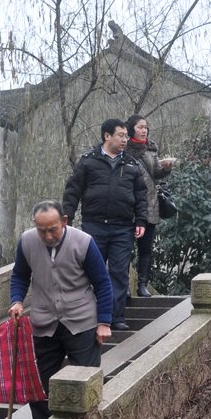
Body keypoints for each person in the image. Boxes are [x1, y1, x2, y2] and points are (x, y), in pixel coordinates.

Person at [9, 201, 113, 419]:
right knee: (39, 386)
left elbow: (103, 283)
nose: (47, 236)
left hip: (82, 321)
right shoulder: (26, 242)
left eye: (53, 229)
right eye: (42, 230)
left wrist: (104, 322)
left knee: (85, 381)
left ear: (64, 221)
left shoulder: (83, 242)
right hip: (43, 322)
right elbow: (19, 276)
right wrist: (16, 301)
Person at [62, 118, 148, 329]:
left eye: (127, 136)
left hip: (123, 227)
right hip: (94, 225)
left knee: (119, 273)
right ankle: (90, 317)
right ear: (107, 135)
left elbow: (141, 194)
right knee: (91, 272)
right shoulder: (88, 161)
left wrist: (141, 220)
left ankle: (115, 318)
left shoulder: (130, 164)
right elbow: (72, 192)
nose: (125, 140)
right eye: (121, 135)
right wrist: (66, 220)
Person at [125, 114, 174, 296]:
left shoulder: (151, 149)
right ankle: (125, 286)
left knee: (146, 249)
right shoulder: (123, 150)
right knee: (126, 249)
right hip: (129, 206)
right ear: (131, 129)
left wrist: (166, 169)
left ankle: (142, 285)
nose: (144, 130)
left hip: (150, 204)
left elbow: (156, 173)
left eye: (146, 127)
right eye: (140, 127)